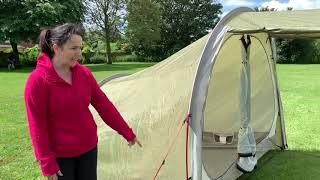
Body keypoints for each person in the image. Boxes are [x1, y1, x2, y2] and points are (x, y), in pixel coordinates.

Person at [24, 23, 142, 180]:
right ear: (56, 48)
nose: (79, 53)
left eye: (80, 47)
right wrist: (46, 163)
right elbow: (37, 125)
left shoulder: (84, 74)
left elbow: (104, 106)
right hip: (60, 156)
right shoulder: (38, 81)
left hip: (88, 148)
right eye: (74, 48)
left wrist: (127, 132)